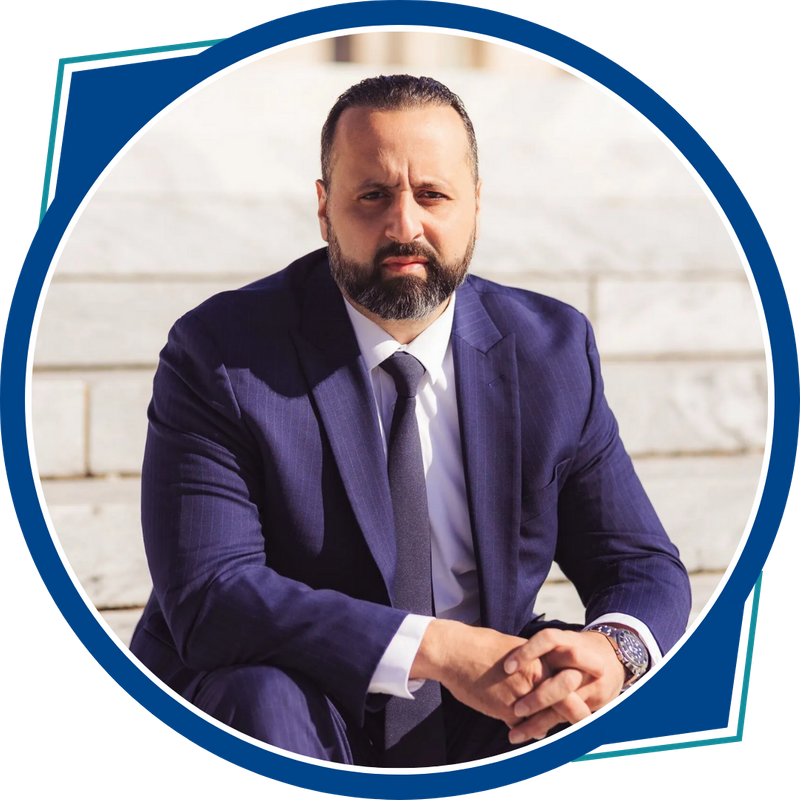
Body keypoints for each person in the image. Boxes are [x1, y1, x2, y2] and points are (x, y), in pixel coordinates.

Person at [130, 74, 690, 768]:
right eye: (372, 195)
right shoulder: (222, 353)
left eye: (432, 195)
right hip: (283, 695)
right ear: (324, 208)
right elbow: (211, 595)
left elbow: (637, 564)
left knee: (599, 703)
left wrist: (612, 652)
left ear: (476, 206)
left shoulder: (551, 351)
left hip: (485, 703)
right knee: (261, 697)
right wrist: (437, 650)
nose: (404, 226)